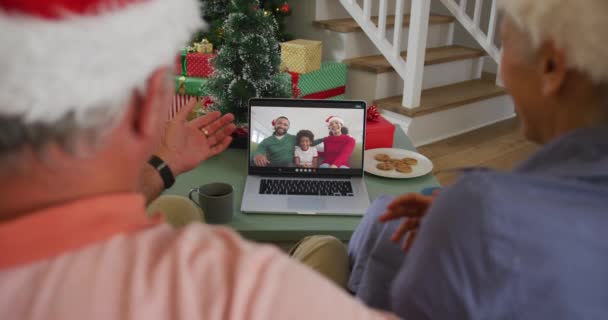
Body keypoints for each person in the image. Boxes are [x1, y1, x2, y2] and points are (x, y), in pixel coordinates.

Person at [0, 1, 400, 319]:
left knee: (175, 206)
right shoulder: (240, 290)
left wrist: (166, 162)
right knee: (327, 248)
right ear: (146, 103)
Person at [348, 0, 608, 319]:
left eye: (505, 42)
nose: (499, 68)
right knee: (383, 219)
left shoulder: (479, 210)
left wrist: (469, 222)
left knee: (361, 228)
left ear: (551, 67)